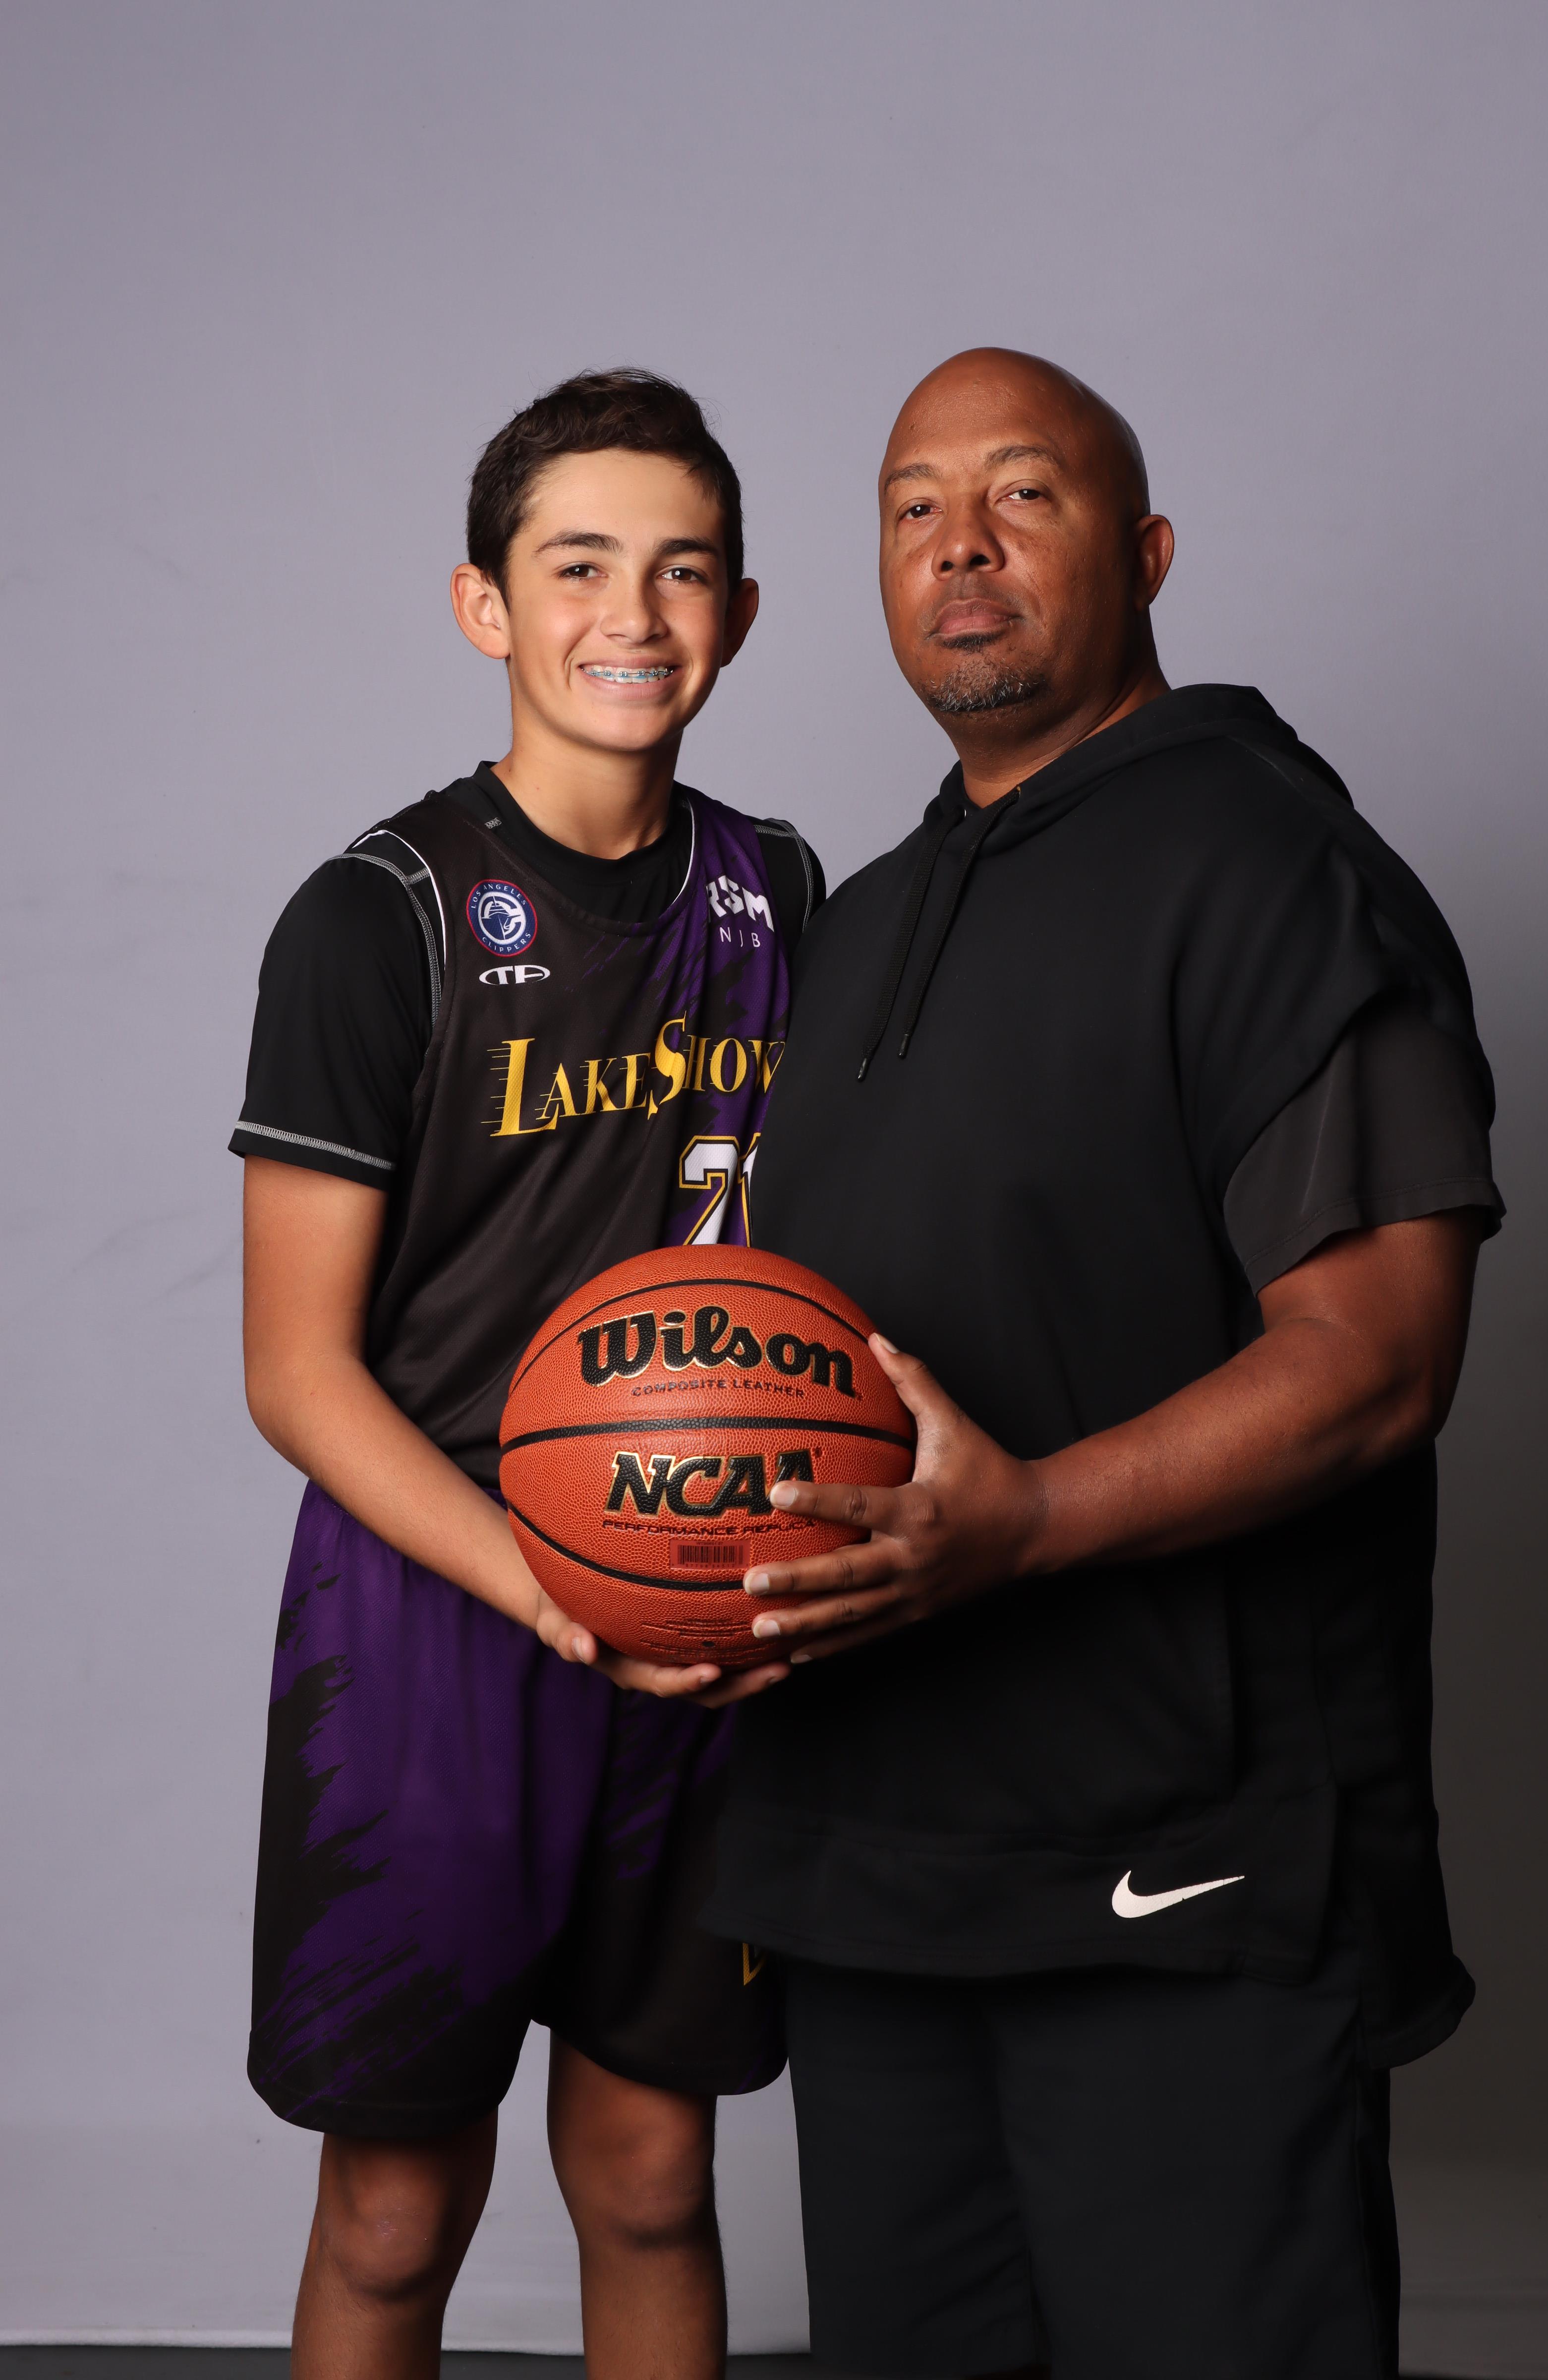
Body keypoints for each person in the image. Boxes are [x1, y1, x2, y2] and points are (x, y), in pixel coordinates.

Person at [704, 349, 1502, 2379]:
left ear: (1144, 553)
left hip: (1184, 1874)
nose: (958, 546)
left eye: (1022, 495)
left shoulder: (1271, 870)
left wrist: (1032, 1518)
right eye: (912, 508)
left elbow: (1377, 1358)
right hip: (878, 1870)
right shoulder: (860, 927)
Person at [231, 368, 814, 2380]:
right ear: (486, 604)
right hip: (439, 1609)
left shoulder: (781, 893)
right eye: (577, 567)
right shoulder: (373, 919)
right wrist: (550, 1584)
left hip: (700, 1600)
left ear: (739, 612)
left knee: (652, 2176)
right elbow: (295, 1374)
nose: (632, 615)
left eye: (682, 570)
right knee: (396, 2209)